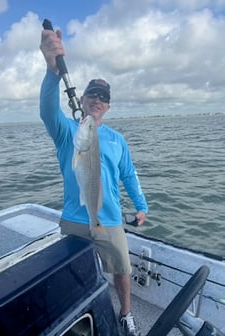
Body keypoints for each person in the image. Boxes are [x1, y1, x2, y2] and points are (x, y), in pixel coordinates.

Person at [40, 27, 148, 336]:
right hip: (76, 218)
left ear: (108, 106)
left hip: (110, 219)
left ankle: (125, 315)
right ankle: (75, 316)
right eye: (92, 95)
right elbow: (48, 112)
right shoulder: (68, 132)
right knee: (71, 273)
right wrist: (52, 73)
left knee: (122, 271)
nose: (97, 100)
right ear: (83, 99)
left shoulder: (117, 140)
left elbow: (129, 174)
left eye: (103, 97)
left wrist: (141, 205)